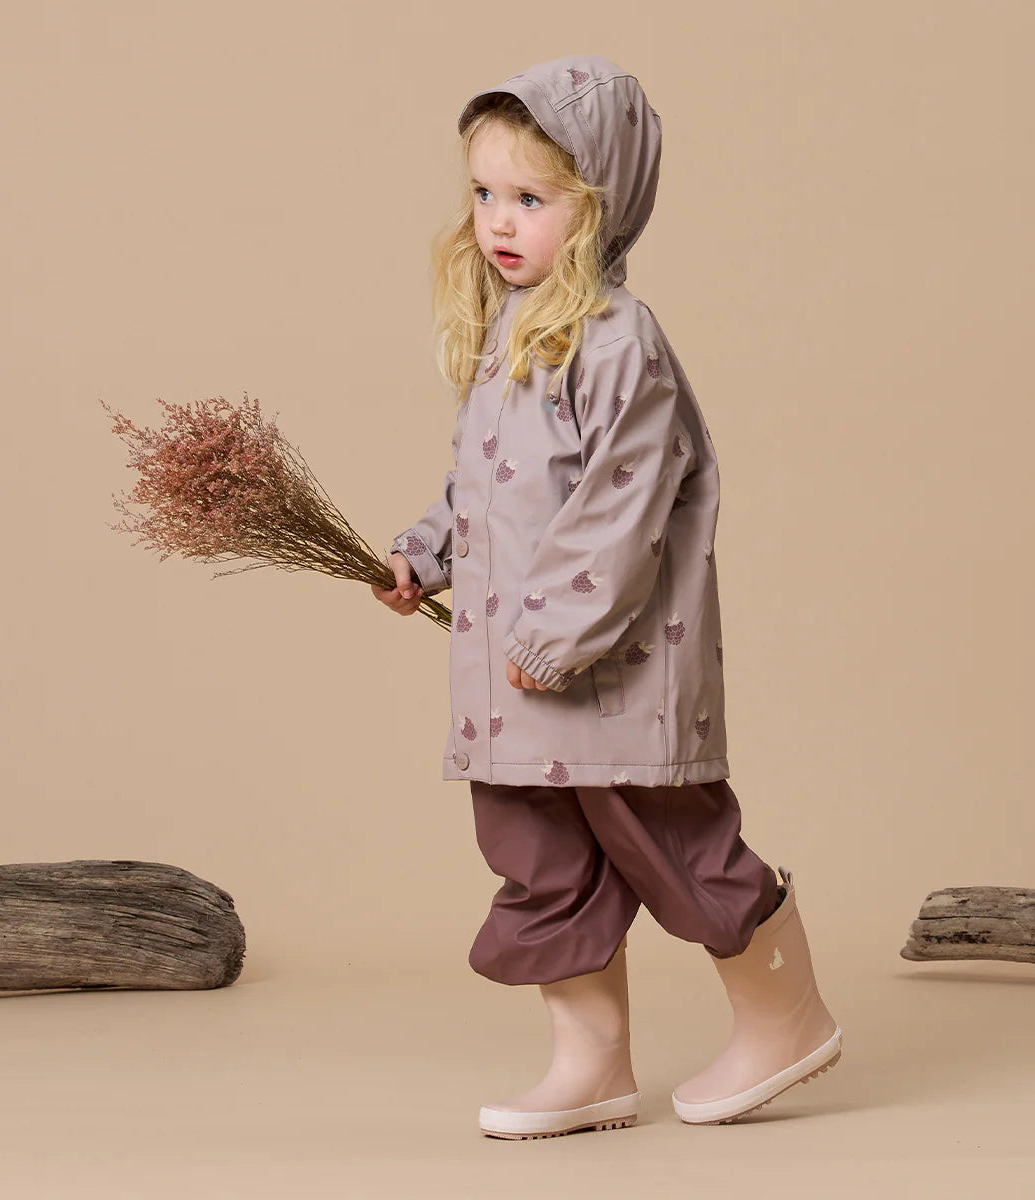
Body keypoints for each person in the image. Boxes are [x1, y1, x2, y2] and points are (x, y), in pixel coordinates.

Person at [372, 53, 842, 1139]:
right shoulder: (512, 325)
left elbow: (625, 501)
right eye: (485, 193)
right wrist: (426, 552)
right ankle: (589, 1065)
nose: (499, 221)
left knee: (676, 845)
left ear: (600, 206)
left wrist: (554, 631)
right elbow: (489, 487)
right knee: (540, 860)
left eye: (531, 199)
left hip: (610, 670)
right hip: (519, 675)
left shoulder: (619, 339)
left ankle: (789, 1020)